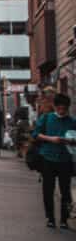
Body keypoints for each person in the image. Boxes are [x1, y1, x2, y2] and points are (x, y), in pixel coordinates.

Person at [31, 93, 75, 229]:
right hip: (47, 157)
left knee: (65, 191)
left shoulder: (72, 121)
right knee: (47, 189)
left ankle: (64, 219)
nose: (62, 111)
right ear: (55, 107)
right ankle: (50, 218)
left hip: (65, 159)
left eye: (64, 108)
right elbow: (35, 134)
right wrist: (51, 139)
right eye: (59, 108)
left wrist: (70, 140)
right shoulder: (46, 118)